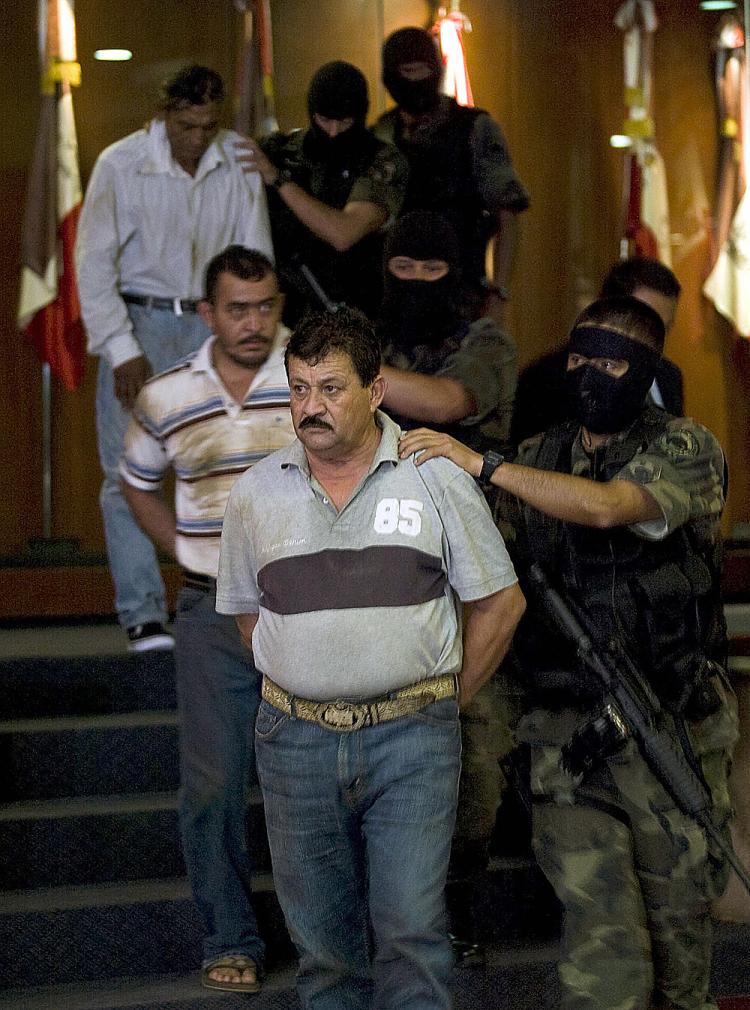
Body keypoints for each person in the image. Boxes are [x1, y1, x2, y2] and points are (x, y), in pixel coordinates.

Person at [400, 295, 738, 1010]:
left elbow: (611, 506)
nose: (588, 376)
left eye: (610, 362)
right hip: (567, 736)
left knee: (682, 956)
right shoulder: (535, 457)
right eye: (578, 358)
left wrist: (483, 464)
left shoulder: (687, 447)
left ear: (644, 369)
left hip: (670, 727)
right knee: (603, 945)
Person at [216, 307, 525, 1009]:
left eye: (330, 389)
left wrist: (448, 700)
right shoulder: (256, 492)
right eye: (298, 389)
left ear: (376, 391)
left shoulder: (436, 476)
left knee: (413, 935)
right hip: (293, 740)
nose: (310, 407)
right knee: (324, 952)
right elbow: (243, 613)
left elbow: (501, 605)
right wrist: (307, 671)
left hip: (412, 737)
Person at [120, 247, 294, 993]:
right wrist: (185, 551)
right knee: (215, 784)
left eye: (265, 306)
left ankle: (335, 939)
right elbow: (135, 483)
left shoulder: (310, 376)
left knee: (319, 781)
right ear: (206, 314)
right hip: (209, 609)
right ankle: (232, 938)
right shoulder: (165, 395)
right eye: (237, 309)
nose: (254, 323)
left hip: (305, 604)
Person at [76, 64, 273, 651]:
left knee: (231, 464)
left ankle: (225, 603)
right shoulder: (121, 163)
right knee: (127, 472)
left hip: (214, 320)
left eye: (208, 126)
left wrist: (250, 333)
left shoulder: (234, 158)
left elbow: (253, 254)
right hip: (140, 319)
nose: (198, 136)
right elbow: (93, 267)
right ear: (165, 117)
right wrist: (120, 349)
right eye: (187, 126)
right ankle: (141, 612)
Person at [377, 208, 518, 958]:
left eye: (432, 271)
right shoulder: (374, 337)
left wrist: (352, 372)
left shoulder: (485, 340)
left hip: (471, 581)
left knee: (474, 762)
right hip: (384, 574)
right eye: (403, 269)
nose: (417, 283)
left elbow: (449, 405)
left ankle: (454, 911)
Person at [372, 27, 529, 322]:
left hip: (462, 298)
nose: (416, 80)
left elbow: (507, 214)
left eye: (423, 70)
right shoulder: (382, 133)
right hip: (395, 302)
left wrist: (499, 293)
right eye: (408, 70)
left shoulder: (474, 129)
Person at [238, 60, 408, 325]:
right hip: (285, 312)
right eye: (324, 120)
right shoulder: (281, 151)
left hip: (357, 311)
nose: (332, 132)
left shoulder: (382, 160)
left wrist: (278, 180)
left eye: (344, 122)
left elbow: (343, 234)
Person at [511, 256, 684, 445]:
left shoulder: (669, 375)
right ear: (607, 311)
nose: (656, 339)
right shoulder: (546, 380)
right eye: (644, 325)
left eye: (665, 329)